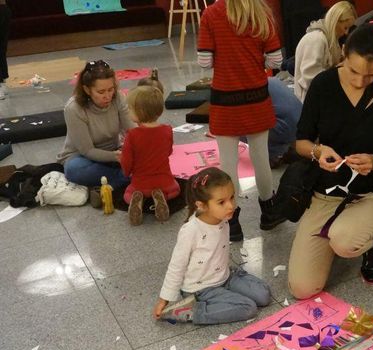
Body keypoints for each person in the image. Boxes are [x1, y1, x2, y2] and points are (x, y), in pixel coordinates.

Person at [288, 24, 373, 299]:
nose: (359, 81)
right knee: (302, 288)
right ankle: (346, 233)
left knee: (344, 241)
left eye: (371, 74)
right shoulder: (323, 84)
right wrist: (318, 152)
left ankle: (366, 243)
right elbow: (301, 142)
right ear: (343, 53)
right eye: (353, 71)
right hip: (327, 194)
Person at [197, 0, 286, 242]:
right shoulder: (261, 12)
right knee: (261, 159)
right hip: (257, 98)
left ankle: (232, 222)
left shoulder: (210, 14)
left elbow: (205, 62)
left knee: (228, 164)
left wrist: (226, 63)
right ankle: (269, 212)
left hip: (225, 100)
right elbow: (276, 61)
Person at [152, 167, 272, 324]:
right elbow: (176, 266)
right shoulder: (190, 231)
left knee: (263, 296)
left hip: (225, 276)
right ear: (201, 205)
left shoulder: (222, 217)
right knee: (248, 308)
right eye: (221, 202)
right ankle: (194, 312)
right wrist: (165, 299)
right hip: (201, 289)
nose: (230, 206)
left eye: (232, 197)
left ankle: (229, 289)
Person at [57, 60, 135, 189]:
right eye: (101, 92)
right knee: (74, 170)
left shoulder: (118, 97)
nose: (107, 96)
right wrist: (116, 157)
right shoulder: (74, 108)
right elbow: (87, 150)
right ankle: (125, 178)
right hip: (83, 157)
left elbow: (131, 130)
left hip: (114, 153)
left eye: (111, 90)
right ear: (87, 90)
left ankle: (114, 181)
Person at [120, 85, 180, 226]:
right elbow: (169, 152)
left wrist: (126, 172)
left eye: (130, 109)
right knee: (176, 189)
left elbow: (127, 162)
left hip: (140, 183)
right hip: (165, 182)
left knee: (127, 194)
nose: (128, 112)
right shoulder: (167, 130)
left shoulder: (132, 135)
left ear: (139, 112)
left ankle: (137, 198)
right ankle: (162, 196)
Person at [294, 1, 357, 102]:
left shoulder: (330, 39)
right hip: (309, 102)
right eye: (345, 27)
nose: (346, 32)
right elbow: (311, 80)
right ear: (336, 21)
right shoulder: (316, 39)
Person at [267, 77, 302, 168]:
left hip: (285, 127)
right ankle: (283, 150)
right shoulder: (272, 80)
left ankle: (274, 156)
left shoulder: (252, 88)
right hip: (301, 121)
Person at [0, 0, 11, 100]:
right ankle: (3, 83)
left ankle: (1, 86)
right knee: (1, 51)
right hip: (4, 10)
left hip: (2, 10)